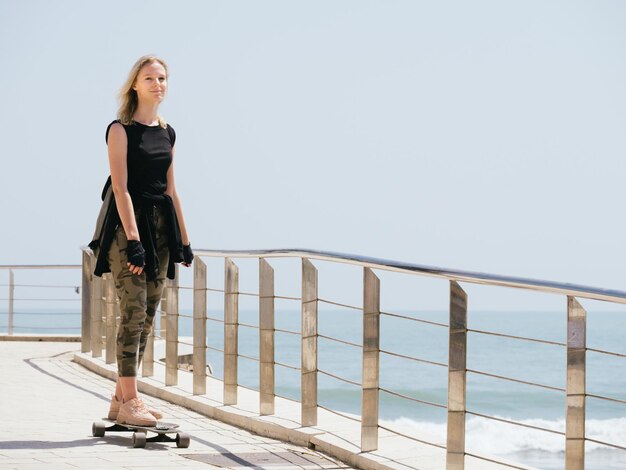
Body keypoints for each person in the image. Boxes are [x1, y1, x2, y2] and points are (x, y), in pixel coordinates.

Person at [88, 55, 193, 426]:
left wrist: (183, 239)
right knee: (132, 312)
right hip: (125, 231)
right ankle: (132, 401)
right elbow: (120, 187)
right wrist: (134, 241)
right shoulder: (120, 129)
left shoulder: (168, 132)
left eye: (162, 78)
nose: (157, 84)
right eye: (149, 78)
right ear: (135, 84)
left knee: (148, 316)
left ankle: (121, 400)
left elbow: (172, 189)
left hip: (161, 230)